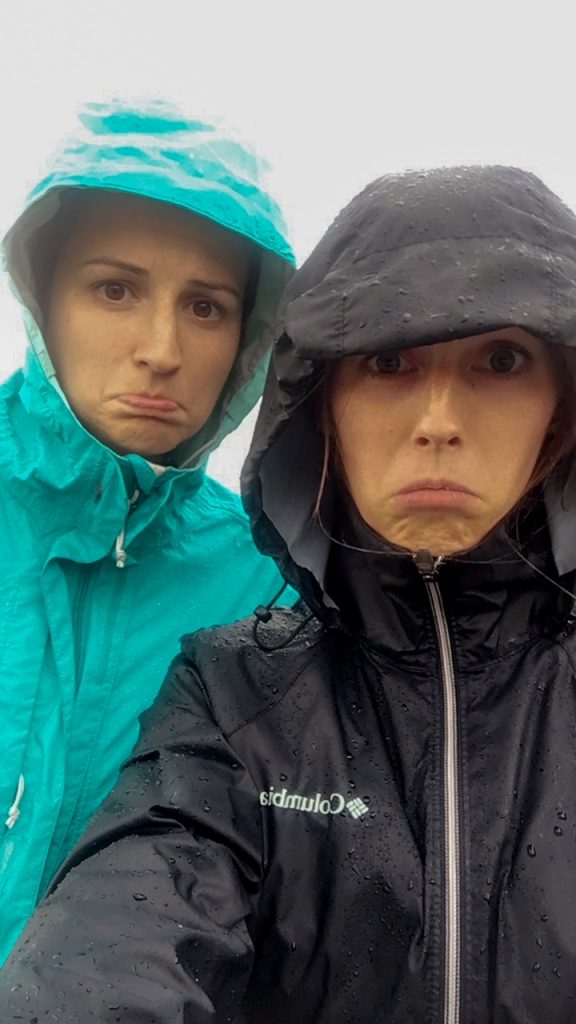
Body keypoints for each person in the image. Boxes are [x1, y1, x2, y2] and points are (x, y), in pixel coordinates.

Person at [3, 165, 576, 1024]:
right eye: (388, 361)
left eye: (501, 359)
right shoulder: (234, 692)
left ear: (560, 405)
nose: (439, 419)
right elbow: (120, 941)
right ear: (322, 403)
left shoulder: (239, 569)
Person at [0, 98, 295, 963]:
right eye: (115, 288)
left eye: (205, 307)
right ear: (41, 295)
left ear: (251, 337)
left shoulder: (268, 578)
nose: (161, 348)